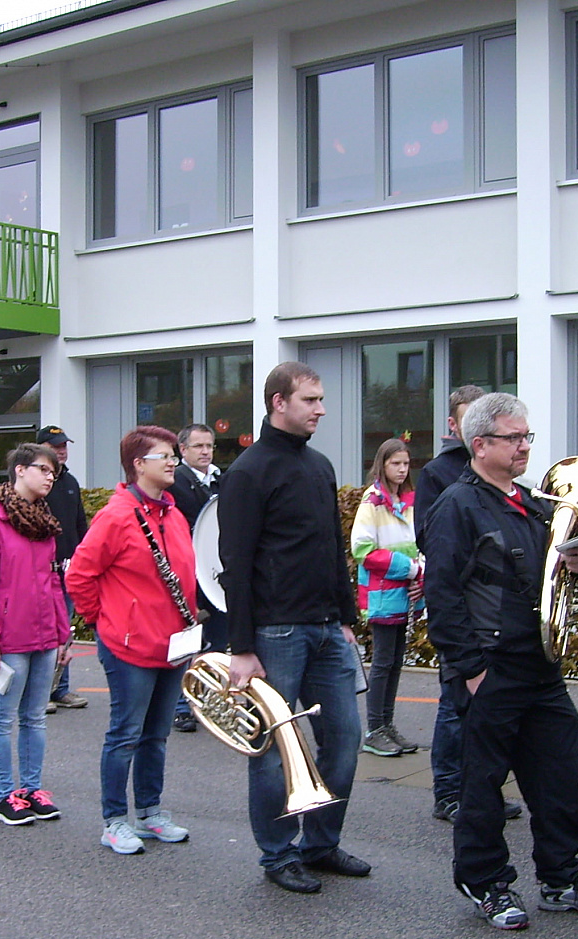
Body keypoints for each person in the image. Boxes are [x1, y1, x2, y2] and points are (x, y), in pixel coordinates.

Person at [423, 392, 578, 930]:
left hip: (539, 666)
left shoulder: (534, 502)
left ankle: (561, 878)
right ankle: (486, 883)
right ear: (479, 445)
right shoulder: (457, 506)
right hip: (491, 667)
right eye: (513, 438)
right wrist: (472, 669)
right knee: (482, 788)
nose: (524, 446)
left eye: (526, 436)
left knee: (561, 778)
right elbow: (442, 595)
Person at [218, 361, 369, 893]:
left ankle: (320, 844)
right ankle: (278, 854)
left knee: (345, 740)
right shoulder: (248, 471)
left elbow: (332, 547)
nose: (321, 410)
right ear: (278, 402)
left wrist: (346, 618)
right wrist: (241, 646)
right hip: (275, 632)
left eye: (321, 399)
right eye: (311, 400)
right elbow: (235, 563)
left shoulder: (320, 466)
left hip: (327, 629)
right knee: (271, 750)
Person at [66, 426, 197, 854]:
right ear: (138, 465)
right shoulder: (116, 515)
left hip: (171, 644)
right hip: (128, 646)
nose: (173, 462)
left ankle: (150, 812)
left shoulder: (174, 514)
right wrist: (104, 620)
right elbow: (79, 575)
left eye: (174, 455)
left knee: (156, 735)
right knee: (125, 734)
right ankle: (114, 820)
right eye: (165, 456)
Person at [416, 384, 521, 822]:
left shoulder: (508, 481)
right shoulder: (437, 474)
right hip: (463, 608)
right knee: (454, 706)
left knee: (492, 717)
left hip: (497, 616)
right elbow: (429, 536)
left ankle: (483, 790)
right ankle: (448, 791)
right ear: (455, 424)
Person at [0, 442, 71, 826]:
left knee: (35, 718)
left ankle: (31, 790)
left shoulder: (43, 521)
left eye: (53, 472)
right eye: (43, 469)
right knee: (1, 719)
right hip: (8, 639)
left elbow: (53, 582)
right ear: (20, 470)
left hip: (43, 635)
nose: (50, 477)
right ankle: (4, 796)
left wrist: (62, 634)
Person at [352, 437, 425, 757]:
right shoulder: (372, 501)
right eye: (395, 463)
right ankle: (374, 729)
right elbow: (363, 549)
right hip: (383, 593)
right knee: (383, 661)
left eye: (406, 463)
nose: (402, 469)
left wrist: (421, 574)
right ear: (382, 464)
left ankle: (387, 724)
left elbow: (420, 543)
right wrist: (411, 569)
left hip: (405, 592)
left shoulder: (410, 501)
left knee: (396, 661)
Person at [167, 421, 224, 733]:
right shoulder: (174, 482)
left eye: (209, 446)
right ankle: (181, 707)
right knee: (190, 642)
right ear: (183, 449)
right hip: (188, 574)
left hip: (217, 575)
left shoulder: (220, 480)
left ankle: (209, 703)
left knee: (217, 642)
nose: (205, 451)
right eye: (198, 446)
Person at [41, 424, 90, 711]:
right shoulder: (38, 483)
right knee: (45, 630)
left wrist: (84, 556)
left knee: (64, 630)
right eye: (55, 446)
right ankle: (42, 691)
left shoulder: (70, 482)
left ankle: (60, 688)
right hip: (43, 571)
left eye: (64, 446)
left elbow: (79, 523)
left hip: (68, 569)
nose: (61, 451)